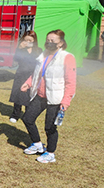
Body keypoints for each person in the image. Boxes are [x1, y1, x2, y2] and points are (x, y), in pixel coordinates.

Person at [20, 30, 76, 163]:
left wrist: (66, 101)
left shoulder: (67, 57)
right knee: (28, 118)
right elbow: (37, 73)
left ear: (61, 43)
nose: (49, 43)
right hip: (40, 95)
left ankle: (50, 153)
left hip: (55, 98)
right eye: (48, 40)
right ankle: (37, 144)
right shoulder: (43, 55)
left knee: (50, 127)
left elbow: (71, 82)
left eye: (53, 41)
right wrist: (28, 83)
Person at [8, 32, 42, 123]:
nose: (28, 42)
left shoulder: (39, 50)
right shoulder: (20, 49)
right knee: (18, 94)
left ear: (34, 41)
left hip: (33, 75)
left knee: (30, 95)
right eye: (26, 40)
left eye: (30, 40)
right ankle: (15, 114)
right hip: (21, 73)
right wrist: (19, 49)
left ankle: (28, 114)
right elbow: (15, 60)